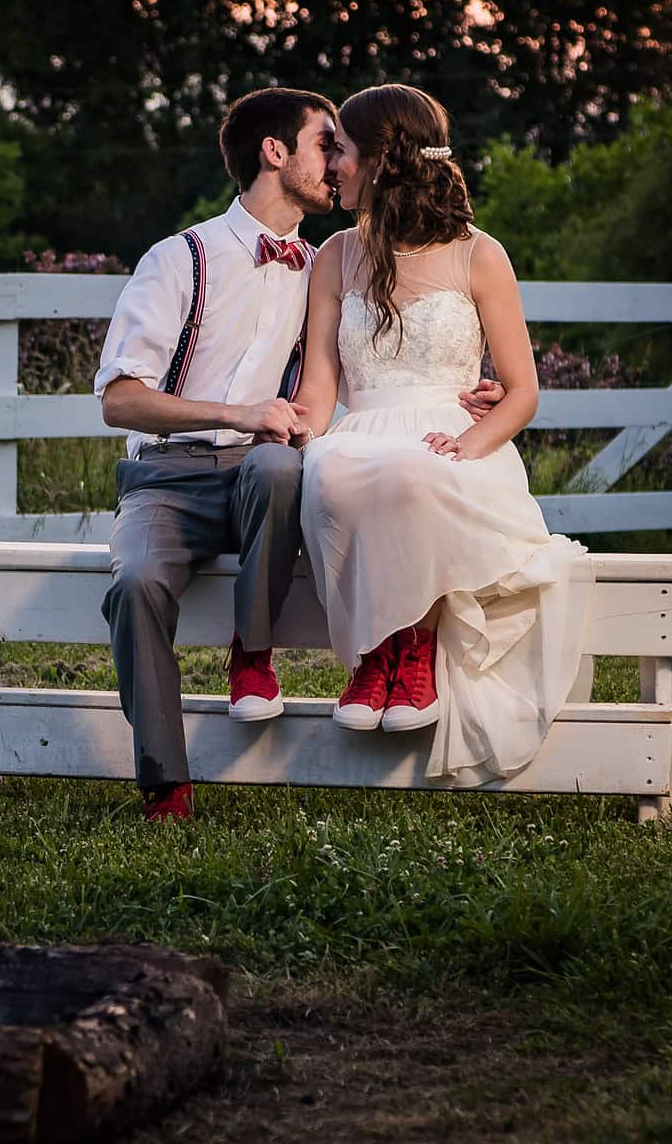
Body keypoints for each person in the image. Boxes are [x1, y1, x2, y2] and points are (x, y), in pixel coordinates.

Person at [94, 87, 502, 820]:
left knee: (283, 463)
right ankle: (166, 782)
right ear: (274, 153)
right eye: (326, 143)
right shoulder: (179, 259)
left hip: (265, 473)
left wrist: (472, 395)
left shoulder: (334, 263)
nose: (337, 161)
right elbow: (119, 399)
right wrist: (234, 411)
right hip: (170, 474)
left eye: (344, 146)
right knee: (135, 584)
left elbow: (356, 379)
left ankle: (253, 657)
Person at [291, 83, 592, 783]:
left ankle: (413, 649)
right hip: (360, 431)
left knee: (415, 473)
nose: (331, 162)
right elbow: (318, 387)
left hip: (454, 441)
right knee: (333, 473)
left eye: (341, 148)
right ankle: (373, 652)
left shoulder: (478, 254)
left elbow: (522, 392)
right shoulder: (335, 256)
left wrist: (471, 445)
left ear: (382, 159)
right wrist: (286, 440)